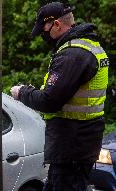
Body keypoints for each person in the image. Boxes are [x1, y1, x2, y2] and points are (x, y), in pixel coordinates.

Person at [10, 2, 109, 191]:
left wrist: (22, 92)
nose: (42, 34)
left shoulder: (73, 55)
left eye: (44, 29)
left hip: (72, 146)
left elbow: (50, 101)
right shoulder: (88, 46)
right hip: (79, 143)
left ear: (56, 24)